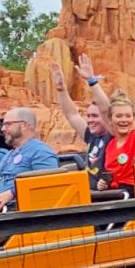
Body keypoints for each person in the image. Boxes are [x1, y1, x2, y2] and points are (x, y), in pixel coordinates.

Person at [0, 108, 58, 213]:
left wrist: (12, 193)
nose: (3, 129)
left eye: (8, 124)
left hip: (20, 216)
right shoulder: (8, 155)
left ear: (24, 125)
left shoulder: (40, 151)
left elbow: (49, 184)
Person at [51, 54, 111, 191]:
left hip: (105, 194)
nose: (90, 120)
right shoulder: (91, 135)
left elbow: (107, 110)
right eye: (88, 116)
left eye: (95, 116)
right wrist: (61, 89)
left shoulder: (111, 136)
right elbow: (72, 115)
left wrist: (91, 80)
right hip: (88, 192)